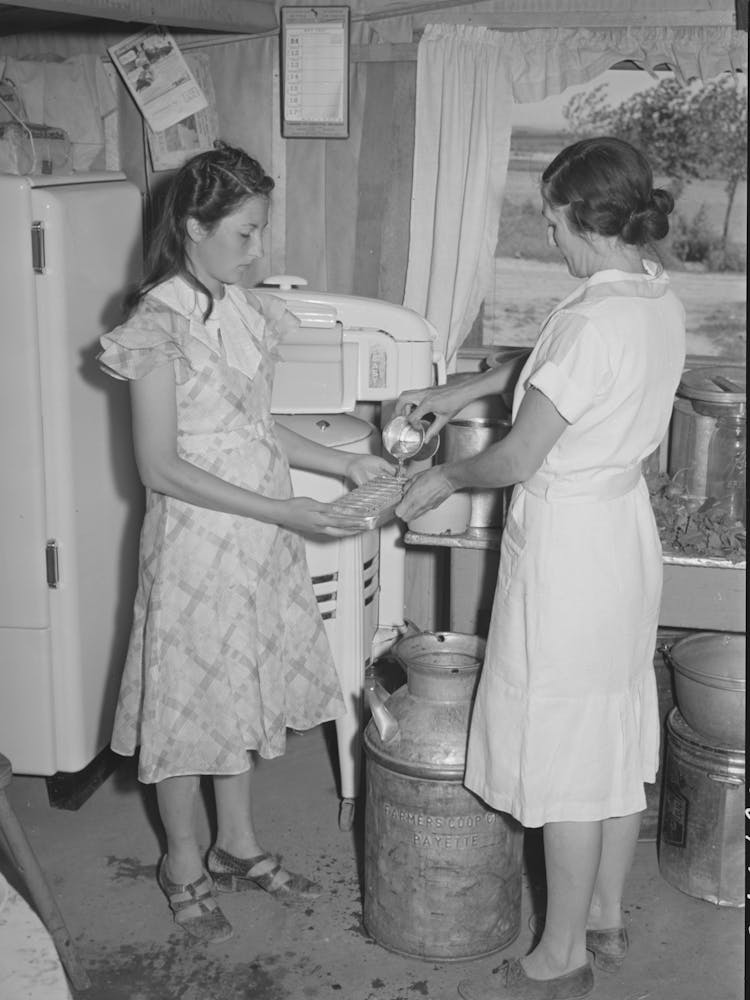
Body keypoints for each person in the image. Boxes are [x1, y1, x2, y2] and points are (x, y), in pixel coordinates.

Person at [394, 137, 685, 1000]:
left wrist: (443, 470)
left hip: (569, 549)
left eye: (554, 221)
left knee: (564, 753)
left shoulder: (591, 319)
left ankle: (560, 958)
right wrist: (453, 395)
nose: (550, 236)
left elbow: (520, 457)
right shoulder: (650, 292)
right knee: (614, 727)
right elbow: (546, 374)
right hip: (623, 536)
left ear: (581, 220)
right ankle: (603, 911)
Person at [99, 141, 393, 945]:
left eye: (262, 231)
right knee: (189, 708)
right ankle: (183, 862)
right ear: (193, 227)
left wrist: (342, 459)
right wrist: (283, 511)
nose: (260, 251)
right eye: (244, 233)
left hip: (260, 538)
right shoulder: (153, 327)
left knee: (241, 692)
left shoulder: (240, 308)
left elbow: (253, 428)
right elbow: (161, 469)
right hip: (199, 545)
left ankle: (238, 842)